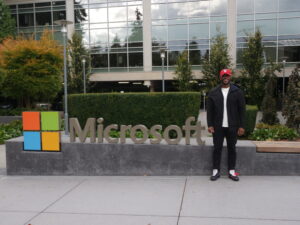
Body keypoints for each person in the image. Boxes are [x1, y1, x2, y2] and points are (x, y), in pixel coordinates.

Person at [207, 69, 246, 181]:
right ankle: (215, 170)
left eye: (227, 75)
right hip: (218, 126)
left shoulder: (237, 92)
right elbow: (210, 111)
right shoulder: (213, 92)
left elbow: (242, 110)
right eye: (223, 76)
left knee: (232, 148)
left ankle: (232, 171)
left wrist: (242, 126)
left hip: (233, 126)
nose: (225, 77)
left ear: (230, 77)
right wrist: (210, 125)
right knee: (217, 148)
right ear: (220, 77)